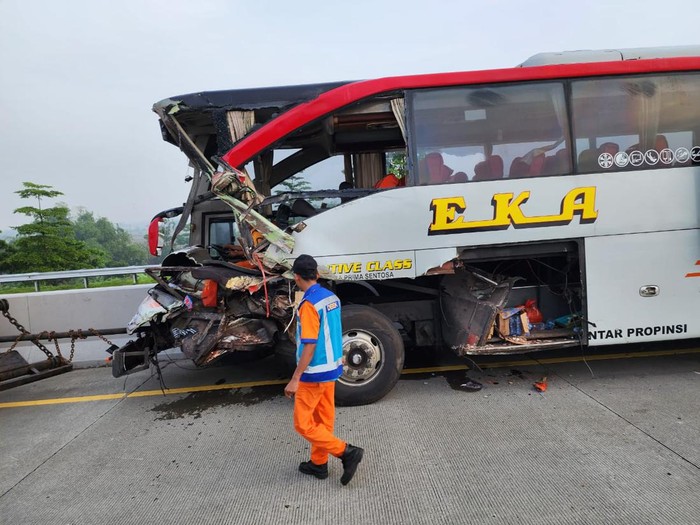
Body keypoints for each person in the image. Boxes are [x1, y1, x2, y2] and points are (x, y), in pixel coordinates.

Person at [284, 254, 364, 485]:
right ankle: (318, 464)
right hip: (331, 369)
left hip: (314, 372)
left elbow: (310, 343)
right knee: (323, 420)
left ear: (296, 277)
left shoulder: (309, 305)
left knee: (303, 424)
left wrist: (295, 377)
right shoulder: (332, 298)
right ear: (317, 275)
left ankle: (345, 452)